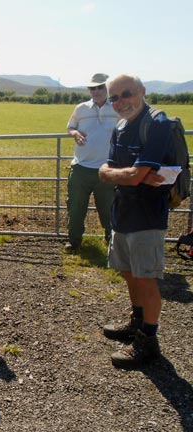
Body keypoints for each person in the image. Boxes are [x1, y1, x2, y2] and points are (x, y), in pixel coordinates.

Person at [98, 74, 174, 369]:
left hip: (147, 216)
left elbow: (127, 175)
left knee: (146, 278)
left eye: (125, 94)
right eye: (113, 97)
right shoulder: (120, 126)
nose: (119, 102)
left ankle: (148, 341)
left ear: (142, 92)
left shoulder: (156, 122)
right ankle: (137, 321)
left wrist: (122, 174)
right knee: (129, 273)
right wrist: (126, 174)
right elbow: (106, 171)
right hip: (123, 212)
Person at [65, 73, 120, 252]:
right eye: (92, 88)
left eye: (100, 87)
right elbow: (70, 126)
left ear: (107, 88)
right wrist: (74, 133)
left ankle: (112, 243)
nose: (96, 91)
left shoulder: (118, 108)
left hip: (108, 169)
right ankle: (74, 241)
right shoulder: (81, 108)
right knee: (75, 208)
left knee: (109, 209)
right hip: (81, 167)